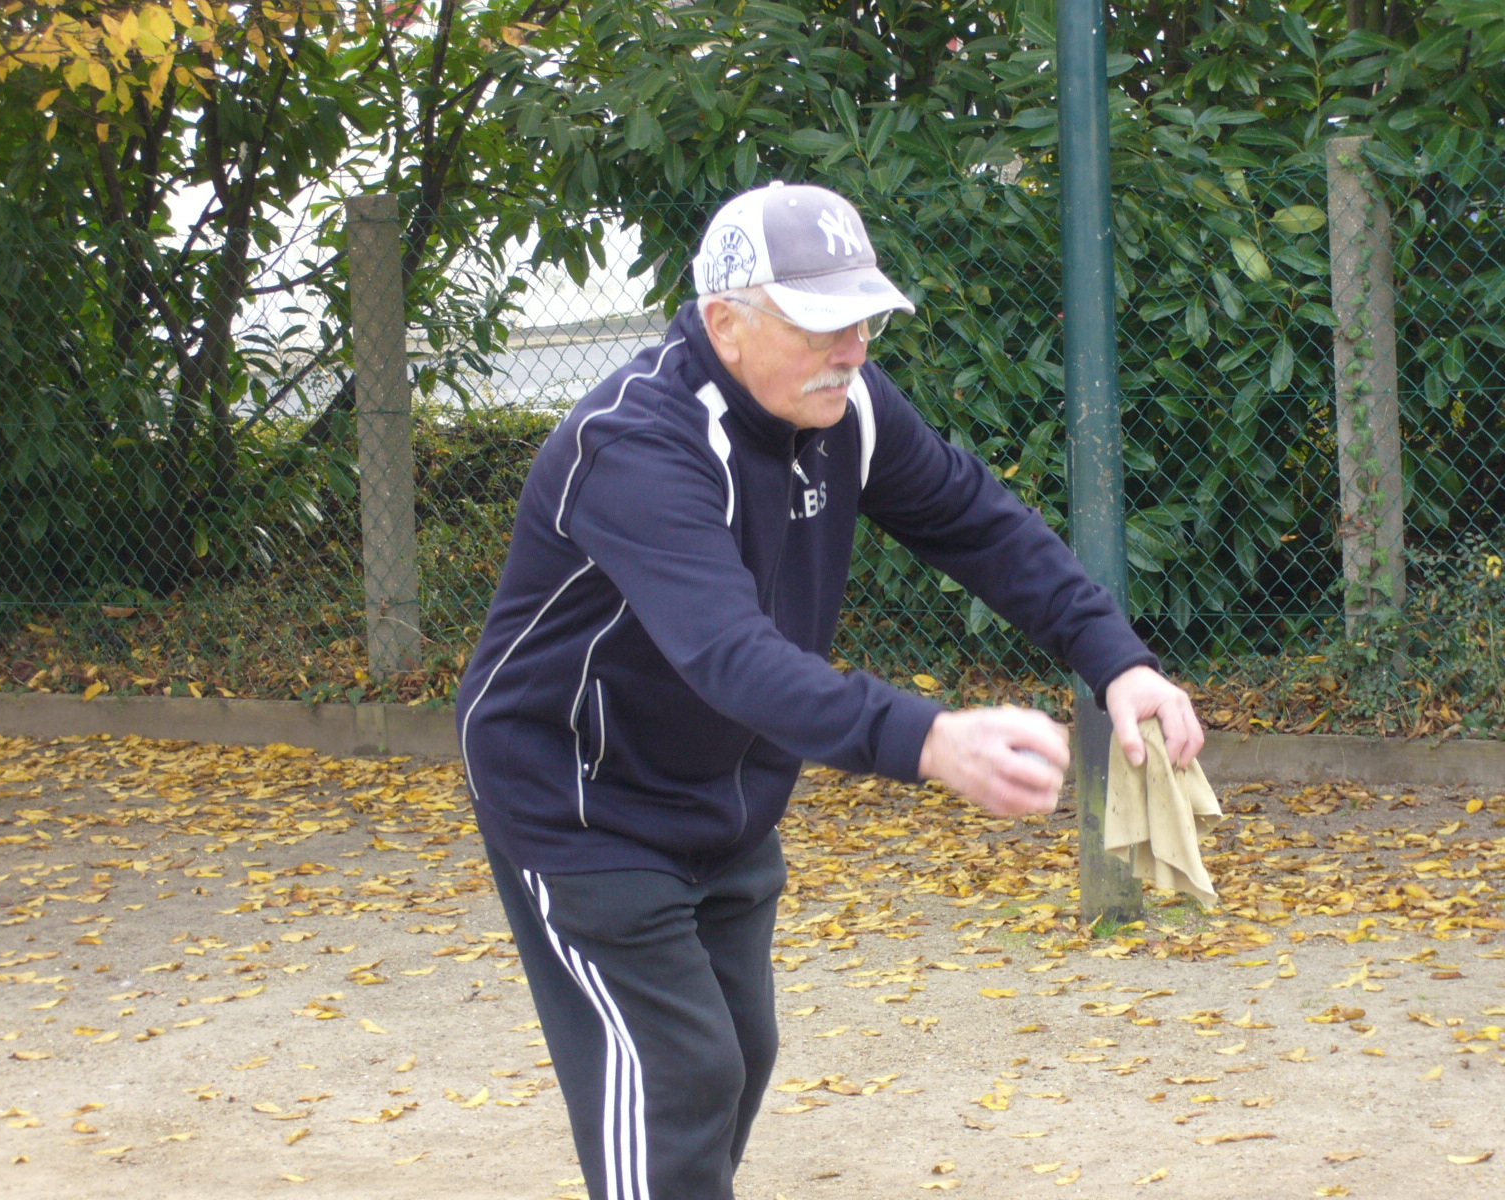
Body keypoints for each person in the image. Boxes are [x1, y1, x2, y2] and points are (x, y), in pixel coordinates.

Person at [456, 182, 1202, 1200]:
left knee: (738, 1055)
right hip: (579, 796)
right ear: (725, 323)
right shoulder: (636, 446)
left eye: (861, 316)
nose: (849, 346)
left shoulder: (844, 410)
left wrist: (1120, 661)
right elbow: (730, 656)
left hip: (725, 790)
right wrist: (927, 739)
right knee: (677, 1074)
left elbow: (977, 524)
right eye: (818, 323)